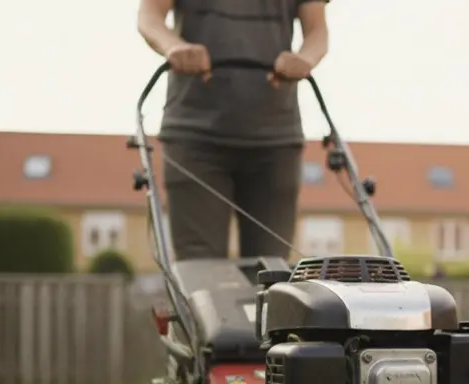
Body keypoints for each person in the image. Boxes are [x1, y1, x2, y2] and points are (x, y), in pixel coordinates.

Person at [137, 0, 330, 261]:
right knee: (199, 270)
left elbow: (317, 31)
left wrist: (303, 59)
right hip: (195, 137)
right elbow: (149, 15)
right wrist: (174, 47)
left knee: (271, 272)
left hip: (275, 139)